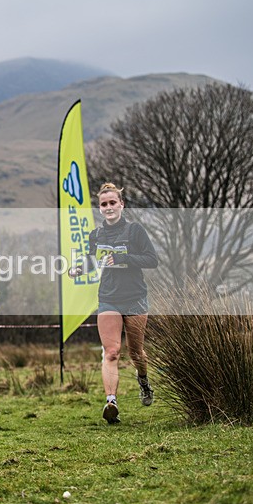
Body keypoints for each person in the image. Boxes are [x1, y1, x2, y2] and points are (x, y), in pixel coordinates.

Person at [69, 182, 159, 425]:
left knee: (135, 352)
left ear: (121, 204)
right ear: (99, 208)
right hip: (108, 297)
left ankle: (143, 381)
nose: (108, 207)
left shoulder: (135, 231)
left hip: (135, 297)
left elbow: (152, 260)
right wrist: (79, 268)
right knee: (111, 352)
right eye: (103, 204)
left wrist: (124, 258)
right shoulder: (96, 235)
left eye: (112, 203)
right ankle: (111, 402)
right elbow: (93, 260)